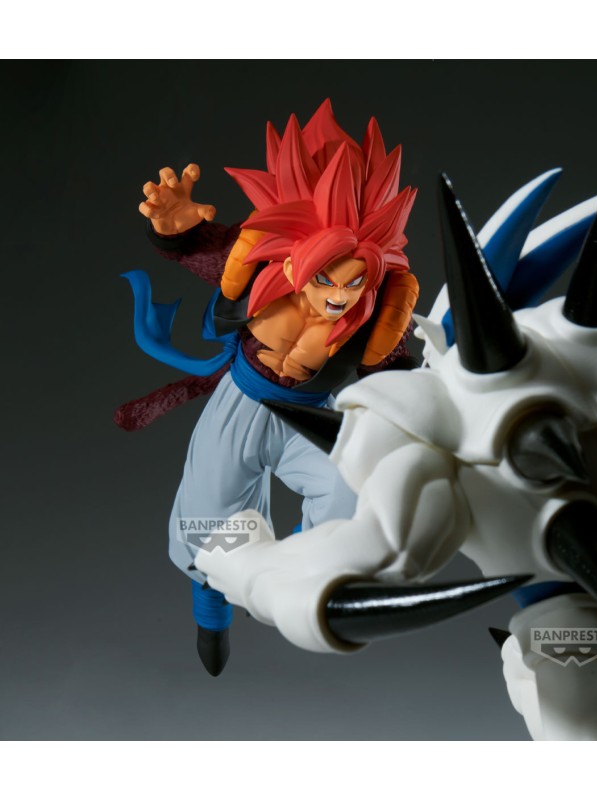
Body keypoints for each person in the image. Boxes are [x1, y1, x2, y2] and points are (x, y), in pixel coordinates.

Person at [120, 99, 419, 675]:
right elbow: (203, 249)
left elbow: (396, 375)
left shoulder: (381, 307)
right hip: (242, 404)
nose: (339, 296)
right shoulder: (263, 261)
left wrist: (422, 403)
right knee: (208, 520)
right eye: (326, 279)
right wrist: (177, 228)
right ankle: (211, 608)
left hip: (315, 415)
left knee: (349, 495)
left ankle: (297, 573)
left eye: (354, 281)